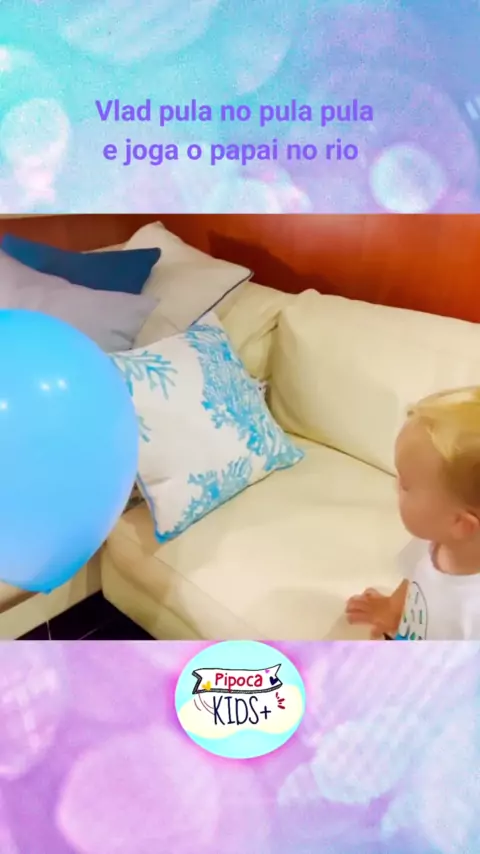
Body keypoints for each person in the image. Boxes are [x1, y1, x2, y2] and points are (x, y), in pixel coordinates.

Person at [346, 387, 480, 640]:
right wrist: (392, 609)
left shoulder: (472, 610)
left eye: (406, 485)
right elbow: (413, 579)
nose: (395, 486)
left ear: (460, 523)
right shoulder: (433, 540)